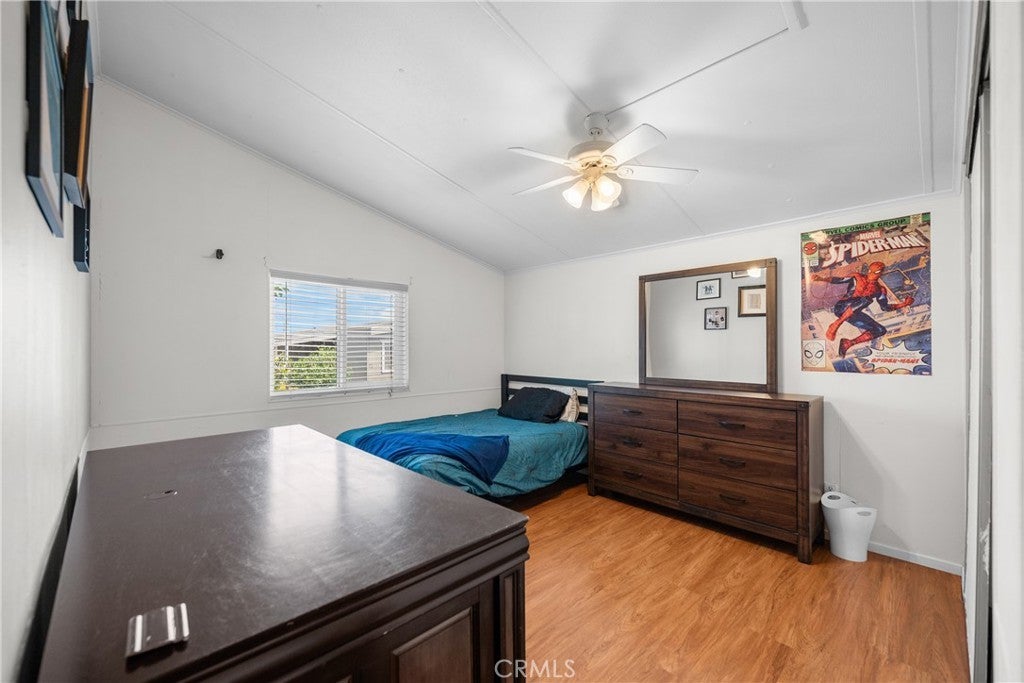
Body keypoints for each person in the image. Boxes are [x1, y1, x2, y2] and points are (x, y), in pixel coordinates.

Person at [812, 261, 914, 357]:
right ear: (869, 270)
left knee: (880, 330)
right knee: (866, 300)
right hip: (841, 308)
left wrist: (903, 304)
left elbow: (885, 307)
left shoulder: (879, 290)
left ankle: (848, 343)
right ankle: (836, 324)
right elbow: (838, 280)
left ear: (881, 273)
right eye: (872, 271)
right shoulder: (857, 277)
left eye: (876, 272)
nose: (872, 274)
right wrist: (821, 279)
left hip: (853, 314)